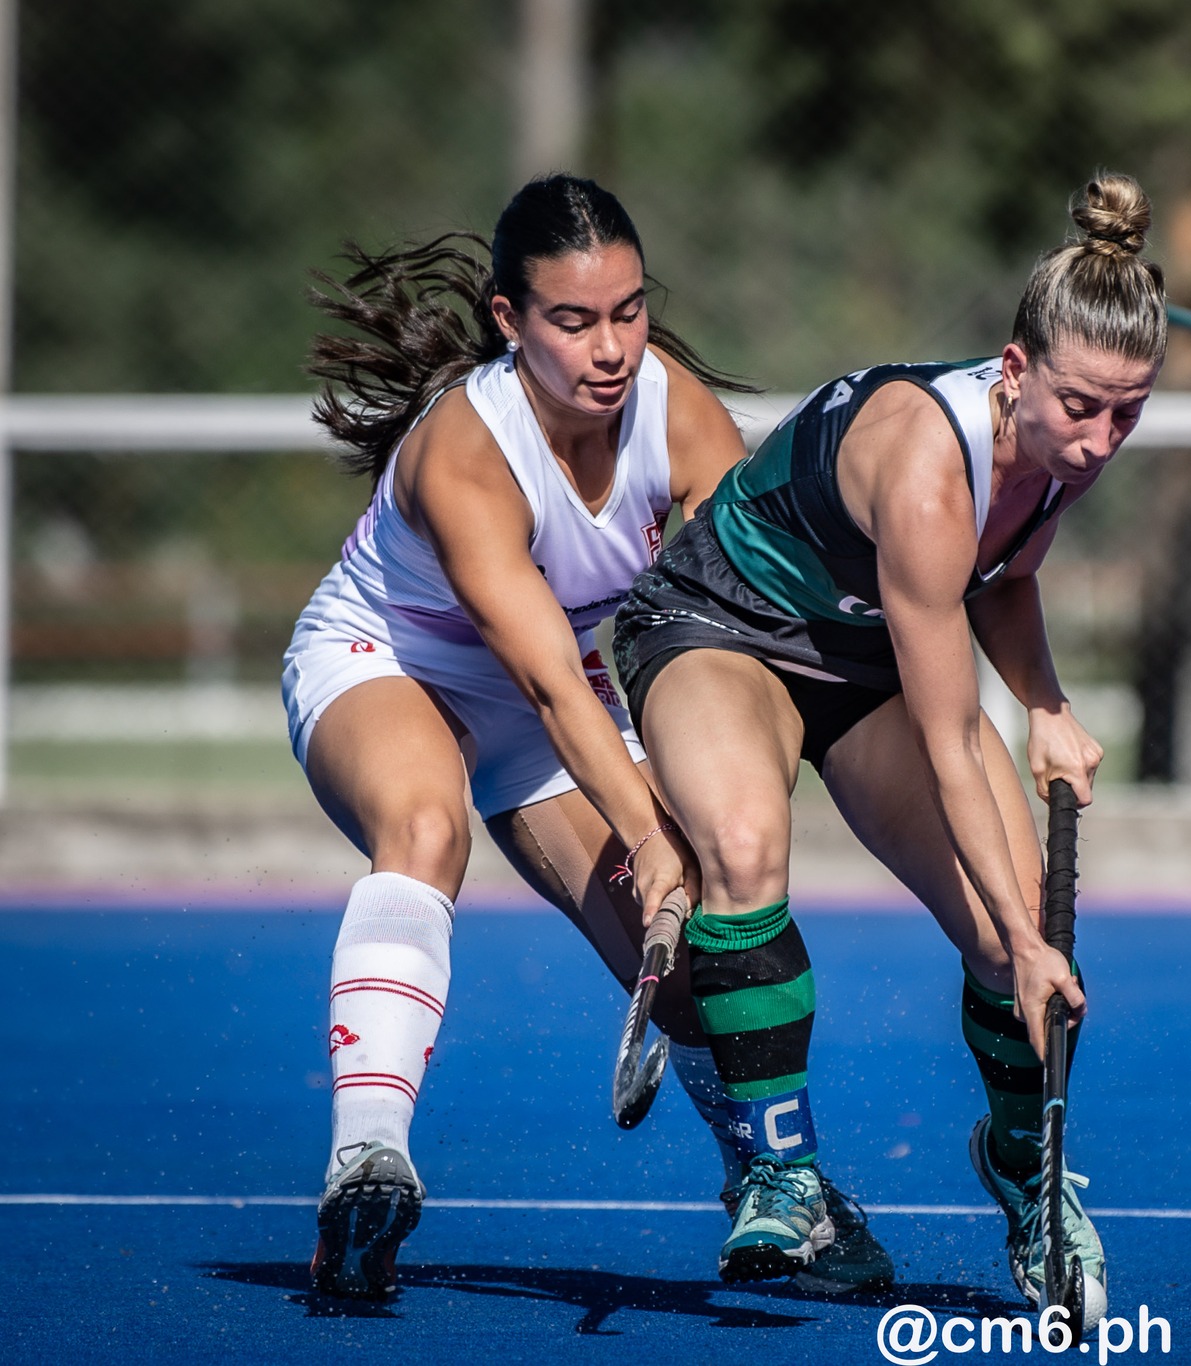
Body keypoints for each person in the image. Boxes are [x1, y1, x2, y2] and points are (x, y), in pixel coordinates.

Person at [284, 174, 891, 1298]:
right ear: (510, 321)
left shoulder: (676, 414)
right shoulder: (469, 452)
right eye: (571, 320)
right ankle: (365, 1163)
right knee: (425, 827)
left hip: (549, 685)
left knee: (686, 966)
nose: (609, 348)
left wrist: (702, 809)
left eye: (627, 310)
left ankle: (769, 1179)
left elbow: (732, 621)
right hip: (393, 659)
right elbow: (553, 685)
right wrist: (645, 832)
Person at [610, 173, 1164, 1326]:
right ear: (1014, 370)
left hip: (861, 655)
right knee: (748, 848)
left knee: (1012, 939)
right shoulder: (925, 466)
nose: (1099, 439)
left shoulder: (1063, 440)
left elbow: (1001, 574)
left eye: (1127, 413)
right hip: (723, 627)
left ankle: (1023, 1166)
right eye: (1080, 407)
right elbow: (951, 737)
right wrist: (1029, 941)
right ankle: (780, 1171)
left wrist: (1047, 705)